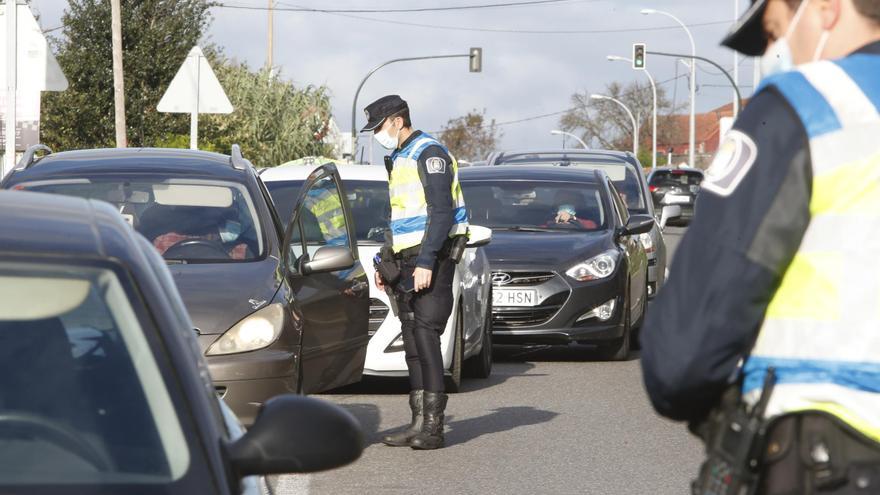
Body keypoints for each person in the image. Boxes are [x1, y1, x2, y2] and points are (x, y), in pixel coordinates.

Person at [641, 0, 880, 493]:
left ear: (828, 8)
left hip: (833, 451)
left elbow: (684, 352)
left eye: (775, 32)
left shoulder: (809, 104)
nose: (776, 51)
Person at [363, 95, 469, 450]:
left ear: (396, 120)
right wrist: (385, 259)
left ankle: (434, 427)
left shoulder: (430, 153)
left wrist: (426, 261)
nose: (377, 134)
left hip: (432, 259)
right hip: (406, 259)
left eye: (378, 127)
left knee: (426, 335)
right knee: (411, 338)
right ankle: (417, 422)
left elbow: (441, 212)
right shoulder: (399, 156)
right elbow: (400, 214)